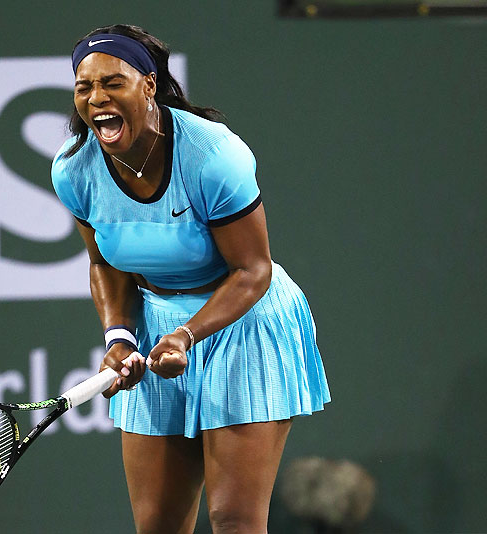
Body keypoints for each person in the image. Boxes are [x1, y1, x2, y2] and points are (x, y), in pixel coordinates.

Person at [51, 24, 330, 534]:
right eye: (84, 86)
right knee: (157, 524)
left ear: (149, 86)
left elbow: (253, 271)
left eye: (113, 82)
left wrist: (185, 335)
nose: (96, 98)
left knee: (234, 521)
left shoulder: (213, 157)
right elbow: (104, 264)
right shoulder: (75, 170)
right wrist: (119, 335)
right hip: (158, 325)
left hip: (243, 324)